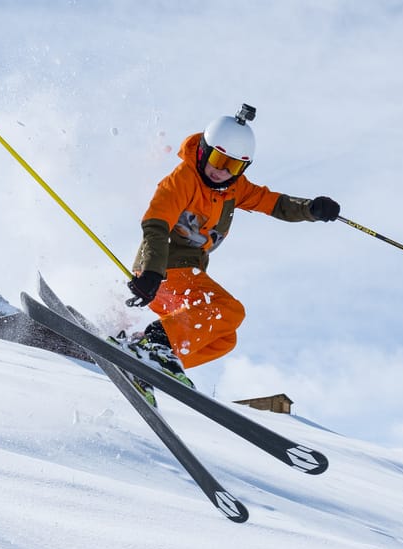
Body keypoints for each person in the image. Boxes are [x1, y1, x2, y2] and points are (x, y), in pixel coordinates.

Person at [121, 104, 340, 388]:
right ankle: (156, 343)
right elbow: (156, 224)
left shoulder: (235, 189)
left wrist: (311, 209)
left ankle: (149, 362)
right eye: (217, 159)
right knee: (230, 310)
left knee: (224, 338)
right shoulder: (182, 180)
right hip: (163, 272)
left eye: (233, 166)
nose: (221, 171)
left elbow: (274, 203)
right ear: (203, 150)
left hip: (185, 279)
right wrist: (151, 272)